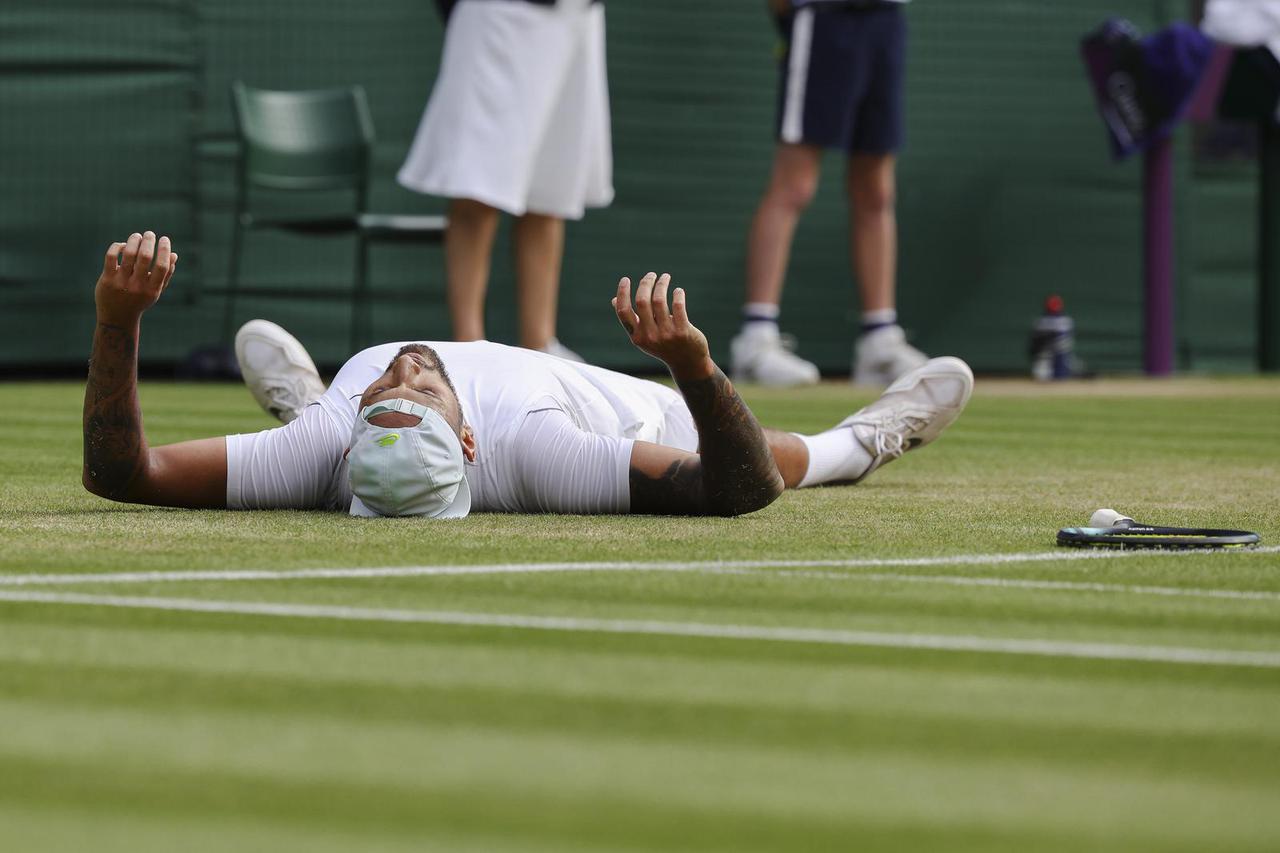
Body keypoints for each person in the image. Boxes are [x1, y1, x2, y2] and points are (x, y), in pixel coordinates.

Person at [83, 232, 973, 518]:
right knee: (774, 455)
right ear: (467, 441)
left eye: (382, 391)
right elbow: (735, 492)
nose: (402, 367)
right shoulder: (540, 453)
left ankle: (300, 397)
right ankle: (864, 439)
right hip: (616, 405)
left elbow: (121, 475)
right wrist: (696, 368)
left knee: (301, 438)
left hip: (320, 434)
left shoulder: (333, 445)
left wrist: (117, 320)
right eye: (417, 389)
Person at [396, 0, 613, 361]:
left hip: (577, 17)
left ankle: (540, 348)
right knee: (477, 187)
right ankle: (469, 350)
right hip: (499, 14)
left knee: (549, 190)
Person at [730, 0, 927, 388]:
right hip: (822, 18)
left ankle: (879, 340)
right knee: (795, 186)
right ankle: (755, 341)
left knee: (876, 191)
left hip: (885, 18)